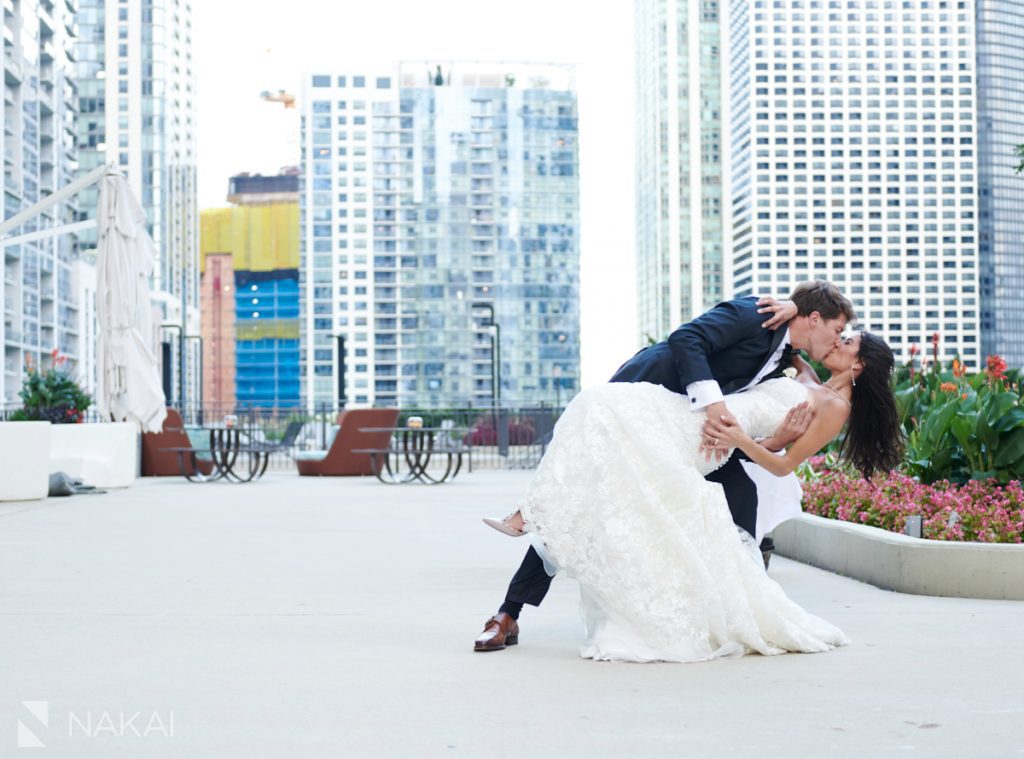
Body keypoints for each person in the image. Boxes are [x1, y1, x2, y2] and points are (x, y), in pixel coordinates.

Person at [473, 280, 858, 653]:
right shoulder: (756, 314)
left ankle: (739, 608)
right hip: (645, 399)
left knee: (743, 493)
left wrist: (764, 438)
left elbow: (755, 403)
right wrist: (714, 403)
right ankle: (508, 613)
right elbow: (686, 339)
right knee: (583, 501)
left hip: (693, 433)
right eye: (837, 329)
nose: (838, 338)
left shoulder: (786, 359)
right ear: (813, 319)